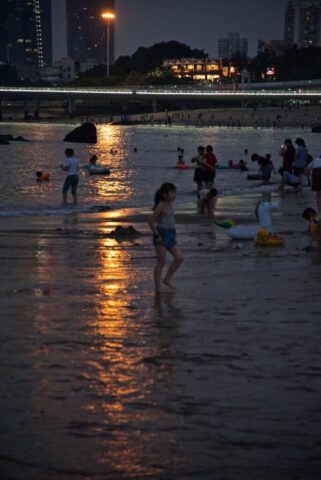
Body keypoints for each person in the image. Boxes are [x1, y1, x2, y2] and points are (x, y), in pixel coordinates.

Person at [148, 183, 183, 293]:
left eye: (174, 192)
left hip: (171, 235)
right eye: (171, 192)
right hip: (161, 235)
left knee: (179, 258)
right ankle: (157, 287)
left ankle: (167, 279)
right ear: (164, 194)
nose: (174, 195)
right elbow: (150, 221)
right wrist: (157, 235)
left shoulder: (169, 204)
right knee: (161, 262)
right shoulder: (161, 206)